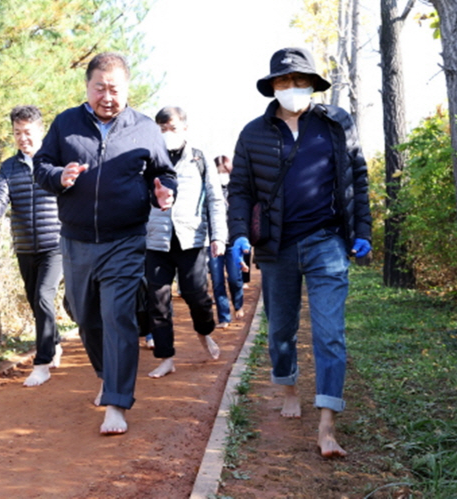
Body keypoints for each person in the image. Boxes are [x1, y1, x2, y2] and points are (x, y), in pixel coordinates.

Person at [228, 47, 372, 458]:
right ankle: (288, 387)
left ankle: (327, 425)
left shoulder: (336, 123)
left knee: (330, 334)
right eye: (283, 81)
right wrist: (239, 233)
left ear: (312, 84)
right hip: (277, 247)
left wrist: (362, 229)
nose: (291, 88)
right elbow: (239, 190)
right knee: (281, 331)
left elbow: (357, 177)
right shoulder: (252, 133)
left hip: (327, 239)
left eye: (299, 81)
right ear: (272, 86)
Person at [32, 52, 177, 435]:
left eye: (114, 89)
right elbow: (41, 167)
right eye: (100, 88)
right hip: (76, 239)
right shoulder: (66, 124)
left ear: (127, 89)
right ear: (87, 87)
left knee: (118, 317)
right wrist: (59, 175)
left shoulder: (145, 128)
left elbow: (164, 173)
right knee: (85, 316)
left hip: (125, 239)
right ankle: (105, 374)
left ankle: (117, 402)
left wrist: (165, 193)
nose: (107, 96)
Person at [0, 105, 63, 388]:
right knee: (36, 301)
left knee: (42, 295)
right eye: (17, 133)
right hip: (25, 246)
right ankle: (55, 342)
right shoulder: (9, 166)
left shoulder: (54, 161)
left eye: (27, 132)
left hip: (56, 244)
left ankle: (42, 363)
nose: (22, 138)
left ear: (40, 130)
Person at [145, 106, 227, 379]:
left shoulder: (199, 159)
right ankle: (166, 358)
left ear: (185, 129)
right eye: (162, 129)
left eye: (173, 128)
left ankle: (204, 333)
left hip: (191, 239)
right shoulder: (149, 161)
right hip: (156, 242)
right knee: (157, 301)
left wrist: (218, 237)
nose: (168, 134)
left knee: (196, 296)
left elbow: (215, 200)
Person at [208, 155, 245, 329]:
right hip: (215, 240)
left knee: (235, 278)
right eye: (219, 171)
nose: (222, 174)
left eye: (225, 170)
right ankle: (224, 317)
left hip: (232, 241)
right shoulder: (209, 190)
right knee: (217, 280)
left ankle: (238, 304)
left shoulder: (236, 190)